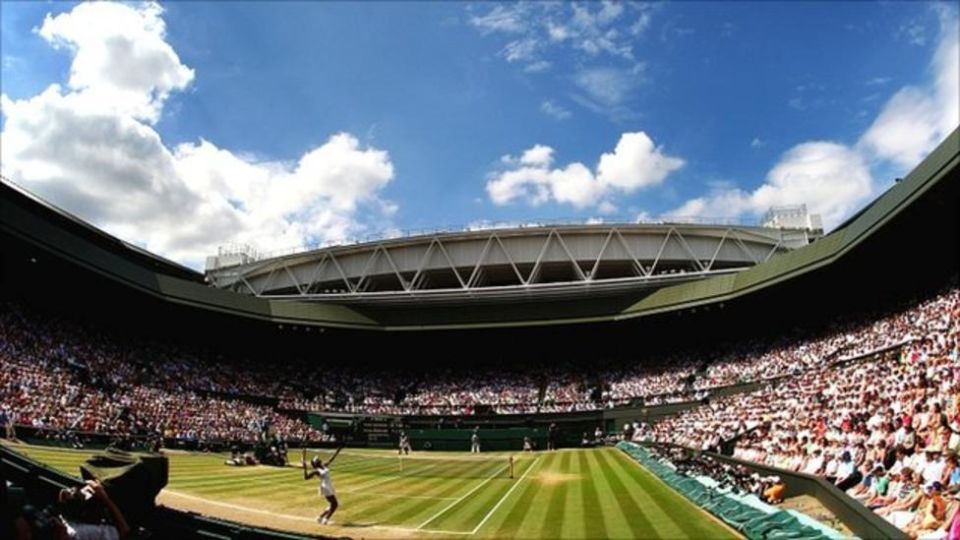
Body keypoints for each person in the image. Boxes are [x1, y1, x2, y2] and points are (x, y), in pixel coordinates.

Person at [302, 447, 341, 525]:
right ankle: (325, 520)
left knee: (332, 504)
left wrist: (337, 451)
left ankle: (320, 517)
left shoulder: (324, 466)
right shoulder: (317, 471)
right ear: (316, 463)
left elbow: (331, 459)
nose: (319, 460)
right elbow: (306, 477)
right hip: (325, 487)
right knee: (335, 504)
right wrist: (305, 468)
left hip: (329, 486)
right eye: (317, 460)